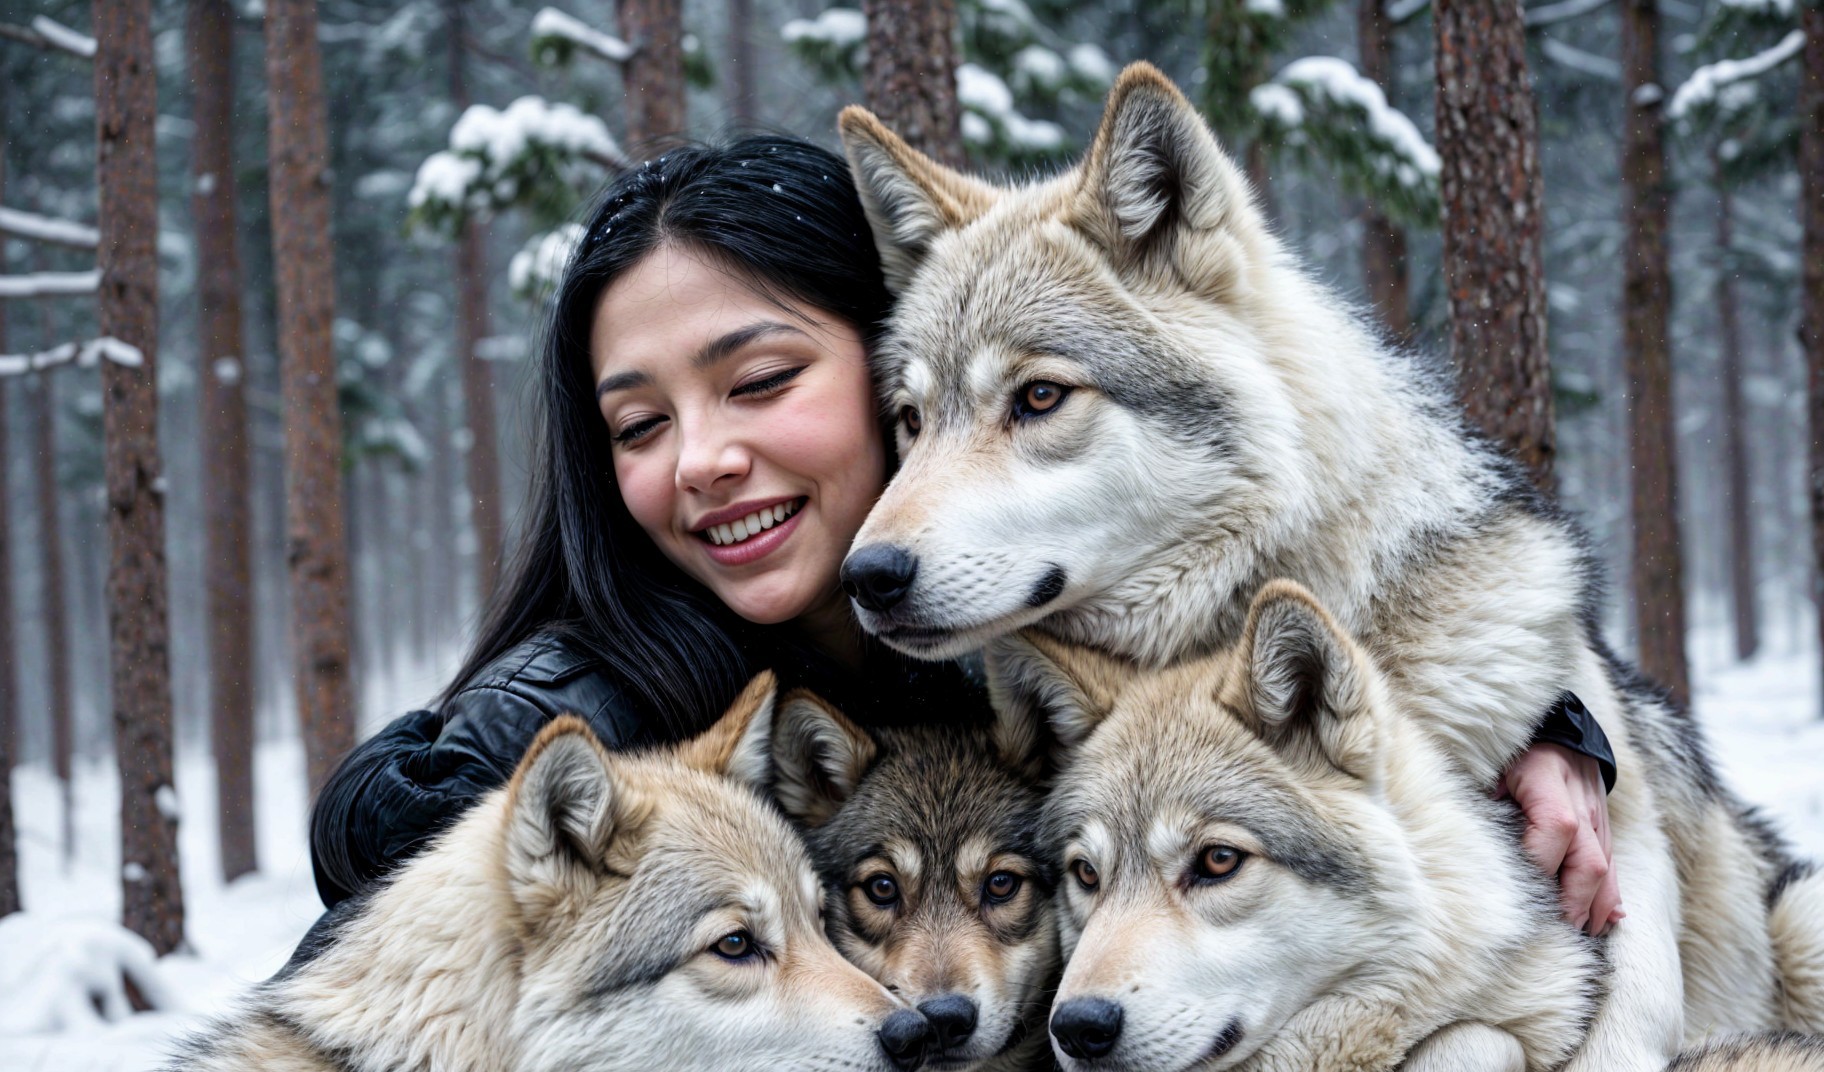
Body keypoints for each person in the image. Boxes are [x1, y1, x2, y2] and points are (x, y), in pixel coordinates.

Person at [308, 134, 1621, 936]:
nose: (700, 460)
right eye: (637, 423)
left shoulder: (1053, 603)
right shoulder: (596, 699)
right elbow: (382, 892)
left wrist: (1544, 732)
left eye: (760, 382)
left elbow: (1353, 604)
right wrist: (444, 830)